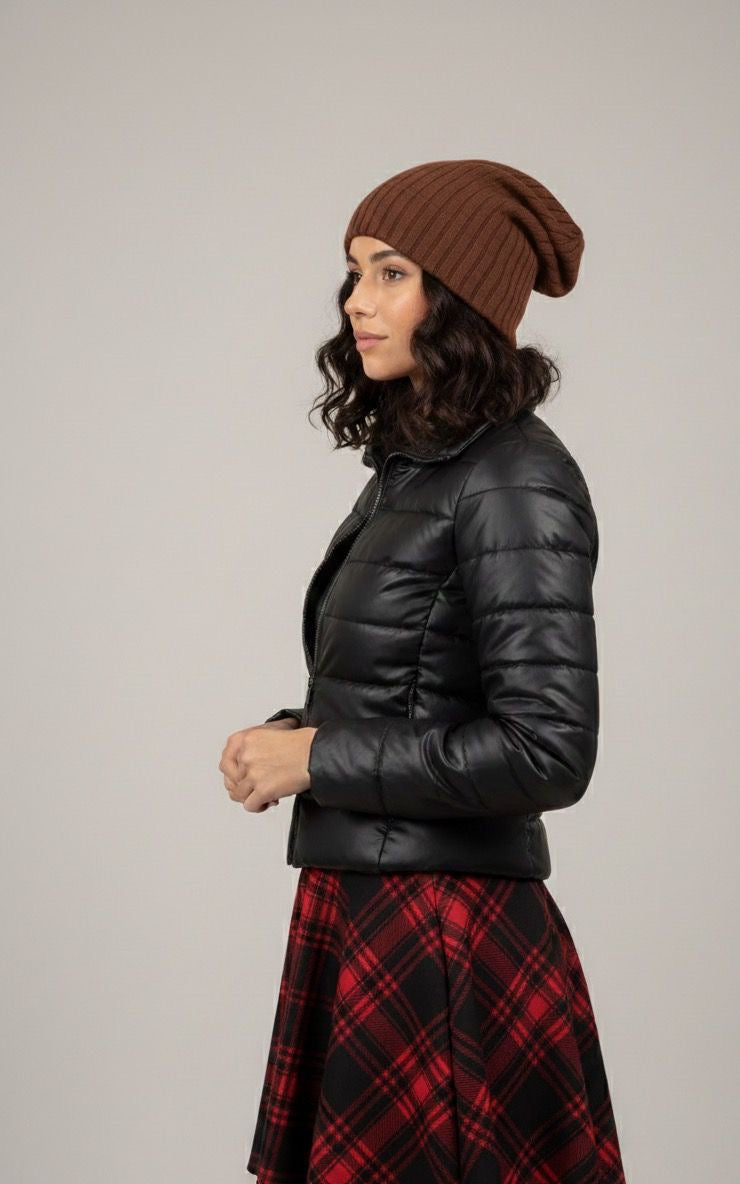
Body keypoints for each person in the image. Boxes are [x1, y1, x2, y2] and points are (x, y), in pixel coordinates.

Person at [220, 158, 627, 1183]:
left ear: (461, 298)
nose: (358, 301)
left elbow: (547, 749)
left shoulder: (514, 477)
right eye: (355, 271)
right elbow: (414, 687)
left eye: (392, 273)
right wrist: (290, 739)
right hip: (374, 909)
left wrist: (319, 759)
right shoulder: (422, 467)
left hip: (441, 934)